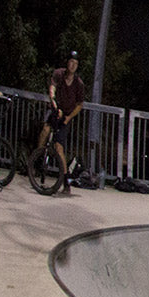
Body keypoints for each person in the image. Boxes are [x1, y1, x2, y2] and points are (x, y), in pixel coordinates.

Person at [35, 51, 85, 196]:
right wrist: (53, 101)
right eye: (71, 62)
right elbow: (52, 88)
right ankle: (38, 157)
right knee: (45, 130)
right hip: (55, 110)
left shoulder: (78, 83)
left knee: (59, 147)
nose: (72, 65)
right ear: (67, 63)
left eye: (75, 64)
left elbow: (80, 104)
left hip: (67, 116)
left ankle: (65, 180)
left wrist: (69, 117)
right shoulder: (59, 74)